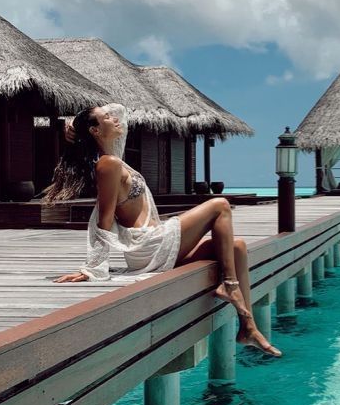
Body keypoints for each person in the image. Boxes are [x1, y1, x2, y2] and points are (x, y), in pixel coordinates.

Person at [45, 103, 281, 357]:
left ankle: (247, 326)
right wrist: (93, 267)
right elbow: (105, 217)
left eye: (113, 116)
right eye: (106, 118)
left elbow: (119, 109)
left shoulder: (115, 158)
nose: (115, 118)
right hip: (147, 244)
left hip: (158, 242)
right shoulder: (108, 164)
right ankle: (231, 287)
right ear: (94, 130)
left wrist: (71, 123)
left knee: (237, 247)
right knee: (220, 205)